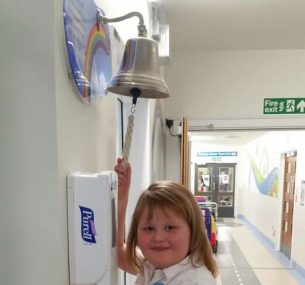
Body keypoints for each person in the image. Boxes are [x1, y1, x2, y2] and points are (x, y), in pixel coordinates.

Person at [114, 157, 218, 285]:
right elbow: (117, 252)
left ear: (193, 231)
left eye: (169, 228)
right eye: (149, 228)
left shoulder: (196, 281)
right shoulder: (151, 266)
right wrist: (121, 196)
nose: (158, 237)